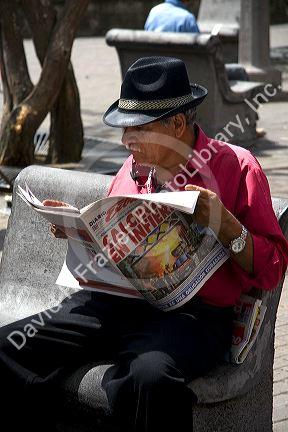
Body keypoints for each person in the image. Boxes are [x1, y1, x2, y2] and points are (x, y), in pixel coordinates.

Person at [1, 57, 288, 432]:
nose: (126, 142)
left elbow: (272, 268)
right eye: (125, 129)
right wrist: (79, 232)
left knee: (150, 378)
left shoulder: (237, 167)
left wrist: (227, 225)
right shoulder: (133, 167)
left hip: (192, 317)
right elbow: (115, 239)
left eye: (138, 130)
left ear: (178, 125)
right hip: (112, 303)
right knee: (11, 346)